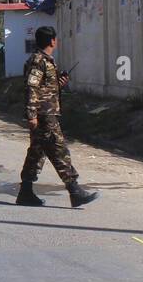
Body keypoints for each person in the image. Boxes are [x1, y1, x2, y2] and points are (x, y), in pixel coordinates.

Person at [16, 26, 97, 208]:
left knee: (37, 153)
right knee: (59, 151)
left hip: (46, 111)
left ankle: (25, 192)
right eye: (56, 39)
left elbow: (44, 88)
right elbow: (32, 87)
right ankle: (74, 191)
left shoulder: (45, 61)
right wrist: (31, 115)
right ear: (52, 41)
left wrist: (59, 83)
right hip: (44, 115)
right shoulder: (39, 61)